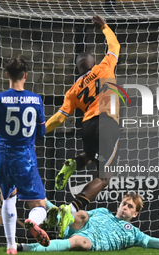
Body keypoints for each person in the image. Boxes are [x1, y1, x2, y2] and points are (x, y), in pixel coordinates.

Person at [45, 15, 120, 215]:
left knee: (90, 154)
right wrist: (104, 26)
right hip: (107, 120)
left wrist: (39, 130)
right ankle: (71, 209)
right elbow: (115, 46)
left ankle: (73, 163)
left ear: (77, 68)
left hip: (87, 126)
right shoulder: (103, 66)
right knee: (104, 177)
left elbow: (59, 118)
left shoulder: (73, 90)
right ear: (92, 62)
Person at [0, 55, 51, 254]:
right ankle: (32, 221)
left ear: (6, 75)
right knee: (39, 206)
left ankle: (11, 246)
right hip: (26, 158)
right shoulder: (35, 99)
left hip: (4, 157)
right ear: (25, 75)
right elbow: (42, 133)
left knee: (8, 199)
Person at [17, 193, 159, 252]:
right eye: (124, 203)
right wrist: (46, 203)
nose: (125, 207)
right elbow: (77, 216)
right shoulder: (103, 211)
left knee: (81, 243)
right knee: (81, 214)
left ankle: (24, 247)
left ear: (135, 215)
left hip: (88, 239)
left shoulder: (135, 234)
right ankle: (51, 219)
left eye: (130, 207)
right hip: (76, 224)